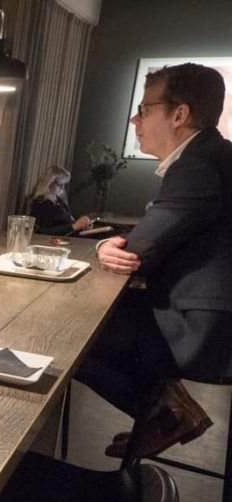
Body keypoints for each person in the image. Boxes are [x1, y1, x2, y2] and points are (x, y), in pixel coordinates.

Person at [76, 62, 232, 458]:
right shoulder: (210, 156)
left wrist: (106, 246)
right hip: (202, 313)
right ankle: (166, 411)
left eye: (145, 109)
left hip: (205, 330)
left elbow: (136, 253)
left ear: (179, 114)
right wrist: (124, 244)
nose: (135, 118)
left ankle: (168, 413)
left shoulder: (200, 164)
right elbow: (162, 234)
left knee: (72, 334)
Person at [25, 164, 93, 236]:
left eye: (64, 185)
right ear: (49, 183)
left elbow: (67, 223)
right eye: (60, 184)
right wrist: (74, 226)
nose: (62, 188)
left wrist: (81, 226)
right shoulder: (40, 202)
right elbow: (42, 232)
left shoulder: (58, 200)